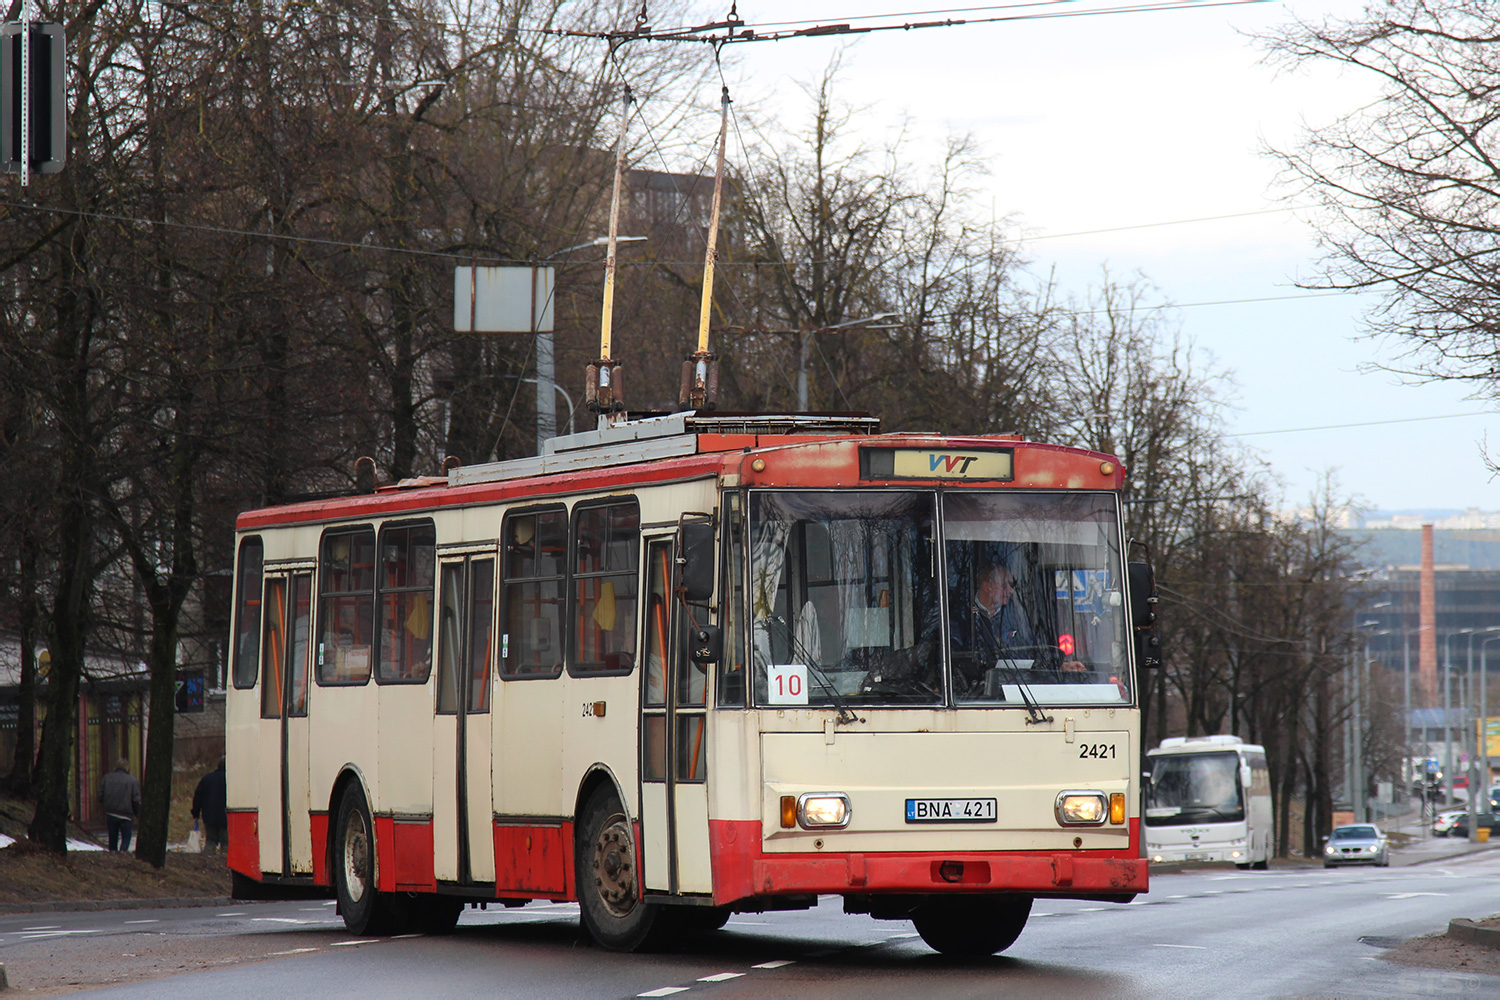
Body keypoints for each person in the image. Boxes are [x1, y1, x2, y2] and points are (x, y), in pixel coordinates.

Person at [99, 758, 141, 852]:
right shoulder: (133, 781)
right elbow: (136, 800)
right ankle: (123, 853)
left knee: (112, 838)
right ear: (127, 768)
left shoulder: (107, 778)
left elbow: (100, 795)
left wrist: (105, 806)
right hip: (126, 814)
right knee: (126, 838)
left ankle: (113, 855)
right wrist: (137, 813)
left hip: (111, 813)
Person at [192, 759, 228, 852]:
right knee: (226, 843)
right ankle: (224, 863)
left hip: (209, 815)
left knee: (210, 841)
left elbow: (198, 797)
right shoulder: (231, 779)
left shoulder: (207, 779)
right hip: (226, 816)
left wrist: (195, 813)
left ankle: (206, 861)